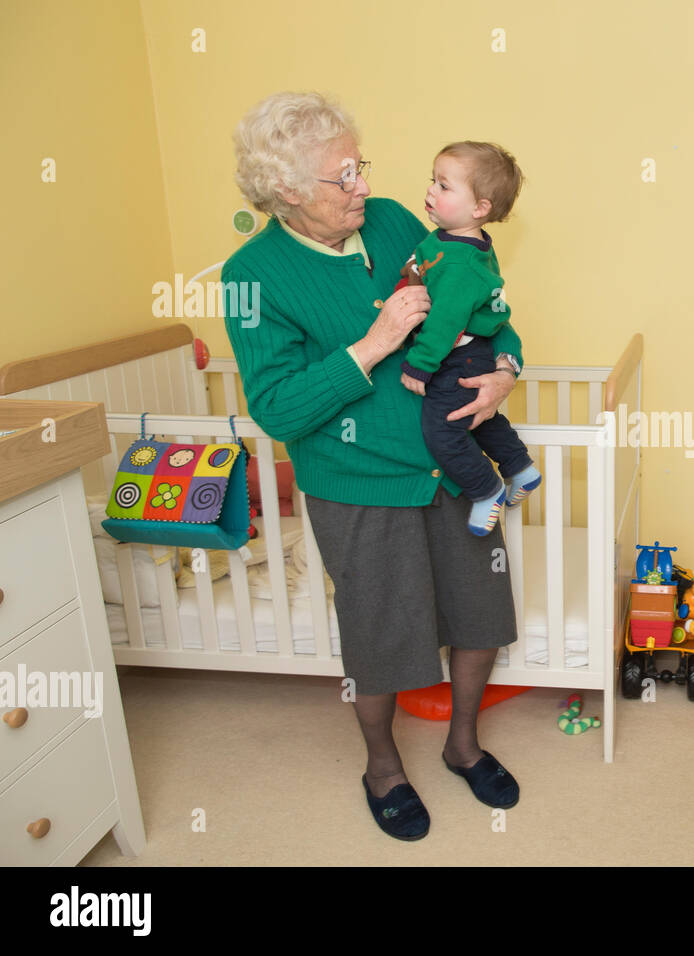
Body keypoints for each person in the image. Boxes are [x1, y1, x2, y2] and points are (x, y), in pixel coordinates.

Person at [222, 91, 523, 841]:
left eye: (361, 166)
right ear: (287, 190)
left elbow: (473, 298)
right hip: (356, 486)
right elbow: (279, 408)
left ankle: (462, 746)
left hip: (453, 463)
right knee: (382, 636)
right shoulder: (249, 277)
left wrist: (508, 367)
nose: (363, 185)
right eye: (342, 175)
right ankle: (382, 766)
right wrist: (375, 343)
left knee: (478, 615)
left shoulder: (391, 221)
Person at [397, 141, 540, 536]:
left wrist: (419, 365)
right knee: (476, 415)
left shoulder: (462, 266)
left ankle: (485, 489)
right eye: (433, 180)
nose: (431, 191)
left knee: (443, 428)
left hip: (457, 356)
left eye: (444, 186)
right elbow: (427, 257)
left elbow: (446, 321)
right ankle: (520, 468)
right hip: (470, 354)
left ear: (479, 209)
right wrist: (414, 267)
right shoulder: (451, 239)